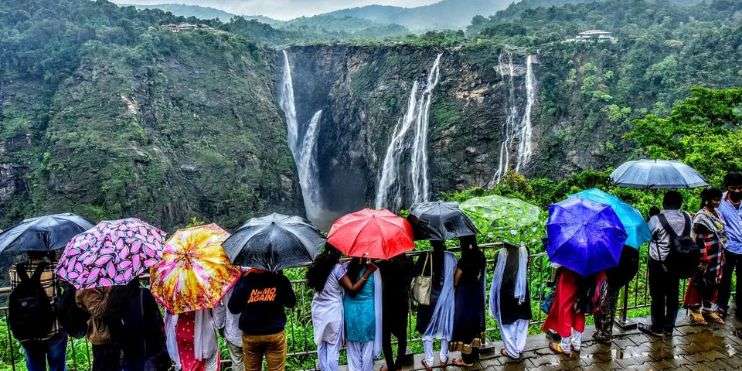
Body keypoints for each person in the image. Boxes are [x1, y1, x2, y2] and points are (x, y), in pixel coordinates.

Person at [640, 191, 689, 337]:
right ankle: (669, 327)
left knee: (657, 295)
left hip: (658, 262)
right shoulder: (687, 217)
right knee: (673, 295)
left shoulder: (657, 219)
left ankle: (657, 327)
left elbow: (644, 235)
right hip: (677, 261)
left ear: (664, 203)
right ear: (680, 204)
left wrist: (651, 217)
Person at [8, 251, 67, 371]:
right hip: (53, 328)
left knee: (35, 367)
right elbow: (66, 283)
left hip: (26, 330)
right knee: (57, 367)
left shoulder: (14, 269)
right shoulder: (53, 266)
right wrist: (52, 257)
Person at [229, 269, 296, 371]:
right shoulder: (279, 279)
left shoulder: (245, 280)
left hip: (251, 334)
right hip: (274, 333)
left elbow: (233, 308)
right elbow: (291, 302)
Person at [684, 188, 727, 325]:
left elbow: (721, 234)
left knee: (714, 282)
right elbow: (699, 240)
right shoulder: (701, 217)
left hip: (718, 254)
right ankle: (695, 310)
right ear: (707, 200)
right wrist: (703, 259)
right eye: (714, 199)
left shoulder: (717, 214)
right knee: (700, 282)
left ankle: (708, 309)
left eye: (719, 199)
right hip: (705, 256)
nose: (717, 202)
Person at [107, 281, 169, 371]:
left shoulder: (112, 298)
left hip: (127, 353)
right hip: (147, 349)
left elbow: (113, 330)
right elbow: (157, 322)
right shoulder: (144, 294)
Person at [414, 241, 456, 369]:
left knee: (427, 330)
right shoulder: (451, 257)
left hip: (428, 299)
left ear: (431, 242)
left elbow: (416, 273)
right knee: (445, 328)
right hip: (447, 299)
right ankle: (443, 358)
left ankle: (429, 361)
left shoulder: (425, 256)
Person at [306, 247, 346, 371]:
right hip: (333, 310)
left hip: (318, 310)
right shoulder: (338, 269)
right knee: (333, 347)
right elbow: (348, 286)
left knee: (321, 344)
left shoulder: (317, 266)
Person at [490, 243, 531, 359]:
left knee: (508, 324)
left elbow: (496, 273)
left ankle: (512, 352)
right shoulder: (525, 250)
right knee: (521, 320)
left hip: (506, 292)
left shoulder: (500, 254)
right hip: (522, 292)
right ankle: (519, 347)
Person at [450, 237, 486, 367]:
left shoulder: (465, 258)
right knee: (474, 322)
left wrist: (454, 284)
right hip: (476, 292)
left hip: (464, 294)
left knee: (464, 323)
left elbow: (457, 277)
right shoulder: (480, 255)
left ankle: (467, 360)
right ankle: (474, 354)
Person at [341, 257, 382, 371]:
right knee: (368, 350)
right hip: (368, 312)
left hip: (350, 313)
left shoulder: (345, 269)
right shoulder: (374, 270)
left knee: (353, 351)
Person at [593, 245, 639, 343]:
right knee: (611, 301)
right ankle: (605, 331)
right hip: (621, 273)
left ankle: (604, 332)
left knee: (604, 301)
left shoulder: (613, 237)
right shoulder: (630, 238)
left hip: (611, 273)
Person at [377, 253, 414, 371]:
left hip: (386, 303)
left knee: (385, 336)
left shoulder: (383, 264)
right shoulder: (408, 262)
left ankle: (390, 365)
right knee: (402, 335)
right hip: (402, 302)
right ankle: (398, 366)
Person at [542, 266, 589, 356]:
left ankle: (565, 346)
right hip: (583, 278)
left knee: (565, 311)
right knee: (579, 310)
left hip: (568, 277)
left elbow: (556, 264)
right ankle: (576, 344)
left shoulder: (568, 253)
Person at [77, 286, 122, 371]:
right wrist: (111, 291)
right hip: (101, 335)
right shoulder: (89, 286)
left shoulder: (102, 282)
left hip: (113, 333)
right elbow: (98, 311)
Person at [718, 171, 742, 320]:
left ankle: (740, 307)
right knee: (724, 279)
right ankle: (722, 307)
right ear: (728, 187)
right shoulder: (719, 201)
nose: (738, 191)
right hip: (727, 247)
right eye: (734, 188)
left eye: (740, 187)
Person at [216, 280, 246, 371]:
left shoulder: (223, 282)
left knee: (237, 361)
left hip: (232, 330)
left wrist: (220, 327)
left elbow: (218, 310)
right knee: (253, 361)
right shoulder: (250, 279)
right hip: (250, 330)